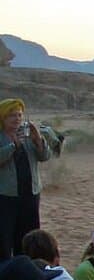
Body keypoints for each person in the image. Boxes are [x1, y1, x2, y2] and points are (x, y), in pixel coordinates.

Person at [0, 99, 51, 260]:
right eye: (12, 115)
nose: (16, 119)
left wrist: (38, 140)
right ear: (3, 117)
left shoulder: (28, 136)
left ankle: (27, 268)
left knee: (29, 236)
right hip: (6, 196)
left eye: (19, 115)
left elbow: (44, 157)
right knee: (4, 237)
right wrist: (13, 146)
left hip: (30, 194)